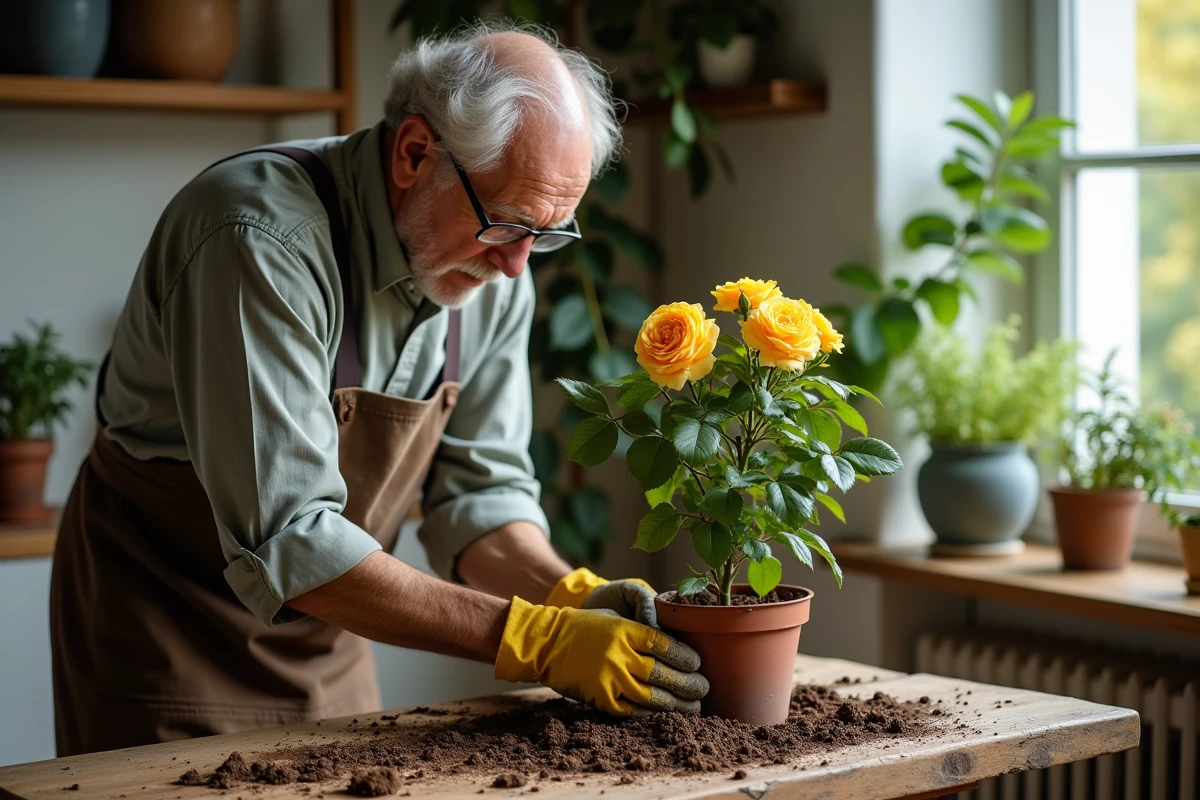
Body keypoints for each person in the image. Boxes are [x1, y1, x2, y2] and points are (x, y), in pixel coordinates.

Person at [49, 24, 707, 756]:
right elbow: (292, 539)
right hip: (164, 629)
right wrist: (537, 640)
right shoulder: (257, 240)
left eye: (547, 234)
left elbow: (476, 500)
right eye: (506, 224)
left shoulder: (495, 267)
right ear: (415, 153)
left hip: (331, 638)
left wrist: (565, 594)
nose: (520, 266)